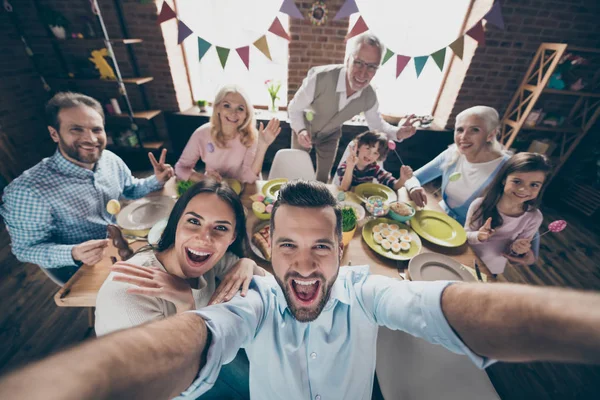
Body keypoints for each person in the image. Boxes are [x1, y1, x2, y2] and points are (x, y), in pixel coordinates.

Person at [11, 180, 600, 400]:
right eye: (288, 246)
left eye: (321, 246)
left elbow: (435, 306)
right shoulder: (257, 295)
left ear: (342, 250)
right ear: (267, 246)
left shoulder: (367, 288)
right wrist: (77, 384)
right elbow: (203, 335)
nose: (305, 265)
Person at [95, 179, 265, 400]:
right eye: (194, 221)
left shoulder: (212, 261)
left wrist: (247, 264)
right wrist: (186, 305)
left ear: (232, 237)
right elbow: (173, 379)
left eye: (220, 228)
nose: (205, 238)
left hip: (203, 356)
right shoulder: (127, 296)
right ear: (175, 223)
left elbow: (267, 283)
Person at [0, 92, 173, 284]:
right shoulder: (27, 190)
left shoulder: (110, 159)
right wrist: (73, 252)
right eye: (77, 129)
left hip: (123, 242)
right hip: (83, 266)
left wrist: (157, 180)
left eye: (97, 130)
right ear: (54, 133)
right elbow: (25, 249)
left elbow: (131, 189)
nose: (91, 139)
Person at [288, 33, 418, 183]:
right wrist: (301, 130)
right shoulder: (319, 77)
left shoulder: (370, 96)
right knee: (295, 171)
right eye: (358, 63)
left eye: (371, 66)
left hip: (330, 135)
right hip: (304, 127)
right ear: (348, 59)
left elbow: (377, 126)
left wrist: (398, 133)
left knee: (323, 178)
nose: (363, 73)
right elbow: (294, 108)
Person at [405, 105, 510, 225]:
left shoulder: (507, 167)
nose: (464, 137)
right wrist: (413, 187)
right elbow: (411, 177)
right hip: (439, 217)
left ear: (491, 135)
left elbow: (520, 216)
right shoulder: (451, 153)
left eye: (475, 130)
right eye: (460, 129)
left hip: (474, 234)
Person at [175, 84, 281, 184]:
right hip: (212, 188)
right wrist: (204, 179)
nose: (233, 113)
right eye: (227, 106)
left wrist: (262, 147)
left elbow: (249, 179)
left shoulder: (251, 136)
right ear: (217, 109)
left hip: (242, 189)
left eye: (240, 108)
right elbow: (180, 167)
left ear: (246, 114)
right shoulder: (201, 134)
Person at [465, 153, 551, 274]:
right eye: (517, 181)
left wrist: (517, 249)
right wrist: (479, 236)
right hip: (465, 260)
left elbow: (512, 253)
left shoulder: (534, 217)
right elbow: (465, 236)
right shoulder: (479, 205)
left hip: (491, 270)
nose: (523, 189)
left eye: (534, 185)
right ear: (504, 179)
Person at [335, 130, 413, 191]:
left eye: (375, 153)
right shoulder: (346, 166)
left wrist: (402, 179)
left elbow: (393, 185)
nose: (370, 155)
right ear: (358, 146)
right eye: (368, 148)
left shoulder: (374, 168)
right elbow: (344, 189)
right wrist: (350, 166)